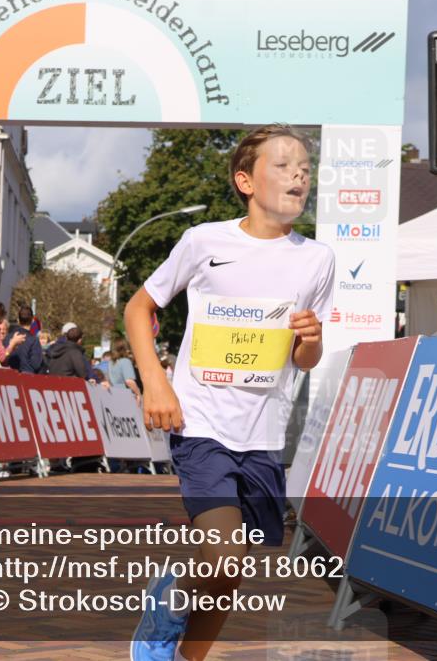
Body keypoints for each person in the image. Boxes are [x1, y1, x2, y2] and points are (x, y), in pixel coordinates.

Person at [125, 124, 335, 661]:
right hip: (201, 424)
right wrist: (156, 382)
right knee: (223, 555)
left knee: (230, 572)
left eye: (304, 168)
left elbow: (303, 358)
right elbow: (139, 308)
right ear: (246, 181)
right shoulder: (205, 241)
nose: (298, 175)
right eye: (283, 165)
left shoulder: (317, 259)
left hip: (263, 434)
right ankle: (166, 605)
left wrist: (311, 340)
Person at [5, 305, 45, 373]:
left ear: (18, 320)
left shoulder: (7, 337)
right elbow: (36, 364)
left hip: (7, 375)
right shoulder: (34, 340)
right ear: (32, 320)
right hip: (26, 376)